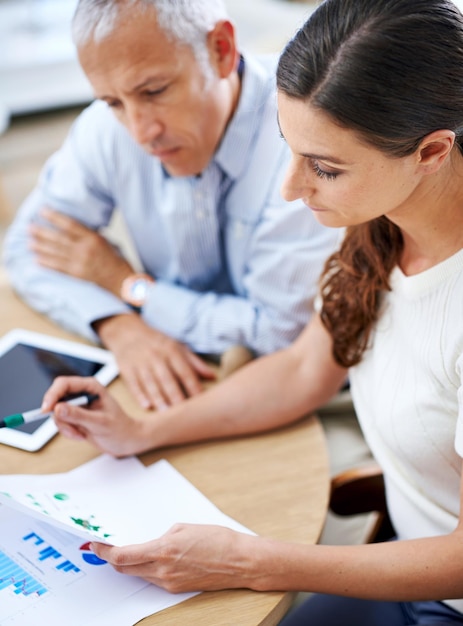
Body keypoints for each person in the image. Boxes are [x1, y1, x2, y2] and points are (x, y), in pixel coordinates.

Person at [40, 0, 463, 623]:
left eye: (324, 168)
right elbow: (301, 371)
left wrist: (252, 559)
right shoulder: (379, 223)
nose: (292, 189)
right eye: (289, 147)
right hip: (406, 563)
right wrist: (142, 431)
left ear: (430, 152)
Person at [2, 0, 339, 411]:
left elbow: (280, 333)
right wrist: (119, 324)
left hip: (305, 400)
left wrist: (128, 285)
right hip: (174, 378)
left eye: (155, 91)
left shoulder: (304, 140)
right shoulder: (106, 130)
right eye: (113, 102)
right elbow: (25, 249)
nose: (141, 131)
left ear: (221, 50)